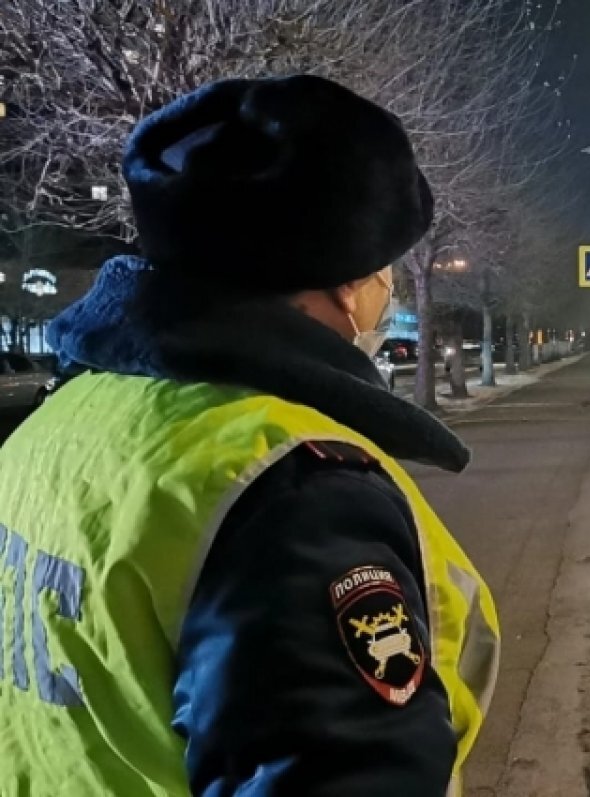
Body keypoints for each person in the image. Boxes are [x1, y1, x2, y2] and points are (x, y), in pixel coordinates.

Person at [0, 75, 498, 796]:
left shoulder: (62, 417)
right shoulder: (295, 490)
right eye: (383, 264)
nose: (386, 287)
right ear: (342, 283)